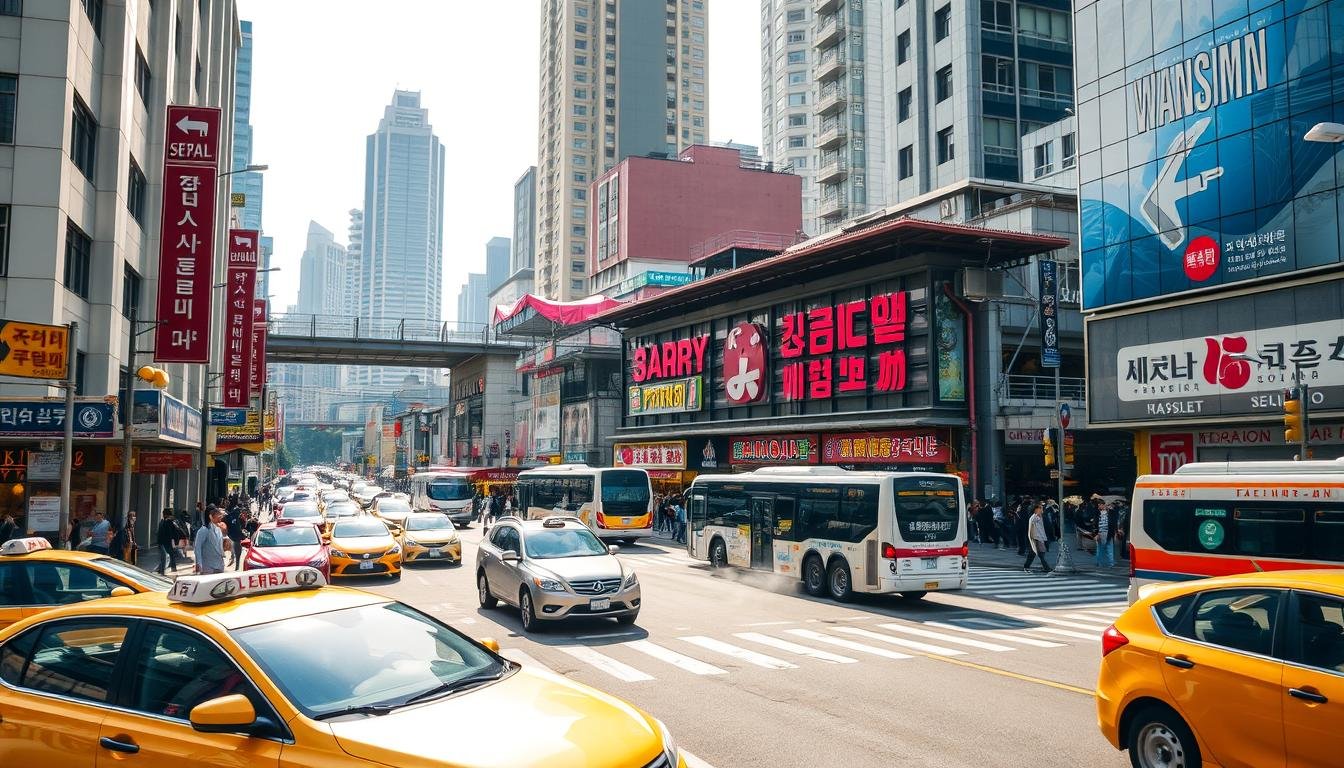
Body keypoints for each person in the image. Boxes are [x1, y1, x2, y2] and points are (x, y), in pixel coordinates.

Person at [193, 506, 228, 575]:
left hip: (219, 565)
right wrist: (199, 564)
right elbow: (197, 548)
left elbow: (219, 546)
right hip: (208, 567)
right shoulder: (203, 530)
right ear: (211, 516)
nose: (220, 517)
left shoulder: (218, 529)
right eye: (218, 515)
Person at [1023, 503, 1052, 574]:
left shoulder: (1040, 517)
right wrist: (1032, 540)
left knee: (1032, 554)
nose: (1042, 509)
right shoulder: (1034, 518)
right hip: (1036, 538)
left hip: (1040, 538)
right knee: (1041, 554)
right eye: (1041, 508)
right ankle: (1046, 567)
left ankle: (1026, 566)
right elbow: (1031, 530)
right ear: (1036, 510)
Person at [156, 509, 179, 575]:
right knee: (168, 556)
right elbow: (174, 533)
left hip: (164, 542)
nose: (163, 515)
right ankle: (167, 569)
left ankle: (162, 570)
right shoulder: (168, 521)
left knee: (165, 556)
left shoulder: (166, 521)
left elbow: (171, 532)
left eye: (163, 513)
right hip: (166, 542)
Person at [1096, 499, 1117, 568]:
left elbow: (1113, 522)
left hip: (1107, 532)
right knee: (1102, 549)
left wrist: (1115, 532)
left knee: (1107, 548)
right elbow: (1095, 523)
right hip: (1101, 533)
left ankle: (1109, 563)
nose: (1098, 506)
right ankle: (1101, 563)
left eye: (1099, 505)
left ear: (1103, 505)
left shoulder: (1110, 512)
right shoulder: (1097, 513)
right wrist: (1096, 533)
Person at [225, 504, 246, 570]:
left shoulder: (228, 516)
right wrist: (243, 536)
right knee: (237, 553)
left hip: (230, 536)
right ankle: (236, 567)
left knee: (234, 551)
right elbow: (240, 527)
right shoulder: (237, 518)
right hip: (236, 538)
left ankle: (235, 563)